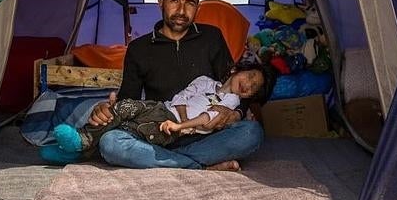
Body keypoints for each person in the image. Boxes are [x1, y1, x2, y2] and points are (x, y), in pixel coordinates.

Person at [88, 0, 266, 171]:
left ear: (197, 8)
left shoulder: (211, 38)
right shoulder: (139, 48)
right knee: (110, 143)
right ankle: (199, 166)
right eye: (174, 0)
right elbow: (129, 99)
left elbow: (236, 85)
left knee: (252, 133)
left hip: (206, 134)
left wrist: (237, 113)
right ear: (161, 3)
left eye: (190, 3)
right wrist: (106, 108)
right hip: (158, 133)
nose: (181, 10)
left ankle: (171, 161)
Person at [52, 63, 273, 158]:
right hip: (161, 111)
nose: (249, 85)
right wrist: (110, 106)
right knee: (122, 119)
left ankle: (81, 144)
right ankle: (79, 144)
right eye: (250, 77)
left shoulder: (231, 100)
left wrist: (236, 113)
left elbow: (209, 118)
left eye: (254, 88)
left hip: (180, 132)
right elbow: (182, 97)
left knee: (251, 132)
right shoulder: (205, 81)